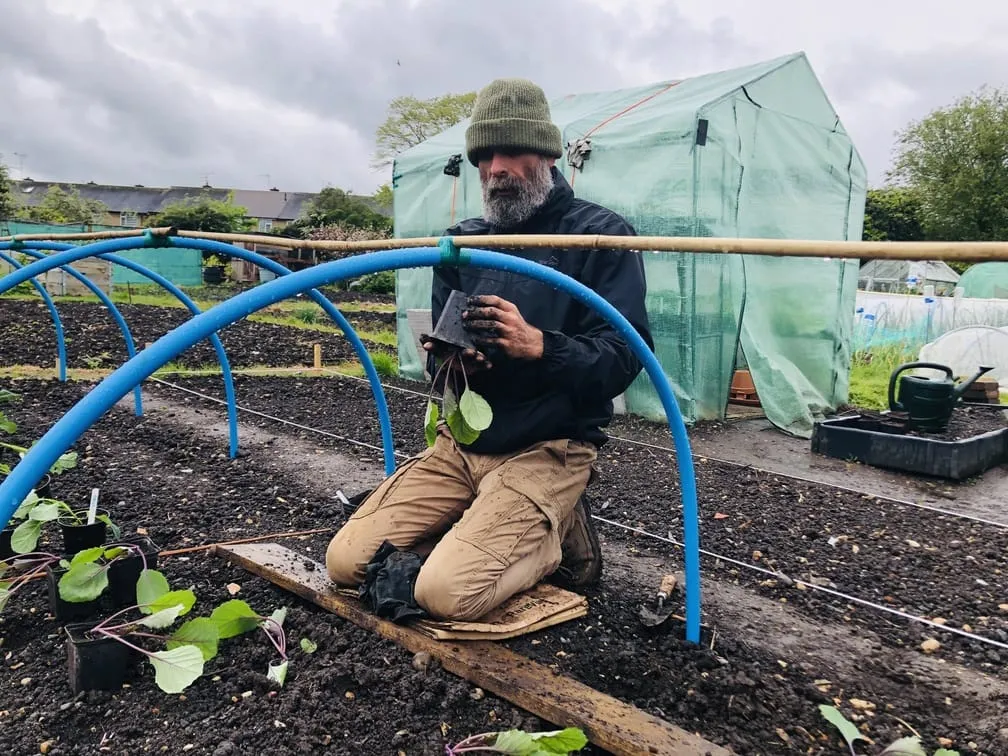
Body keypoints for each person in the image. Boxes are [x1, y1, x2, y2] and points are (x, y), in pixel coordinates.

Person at [325, 77, 653, 622]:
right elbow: (439, 354)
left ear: (547, 155)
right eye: (484, 156)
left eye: (511, 152)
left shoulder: (598, 236)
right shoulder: (463, 242)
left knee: (446, 595)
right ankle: (496, 526)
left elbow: (623, 357)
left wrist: (538, 345)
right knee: (346, 562)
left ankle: (556, 541)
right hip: (464, 444)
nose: (495, 168)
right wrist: (452, 359)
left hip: (548, 447)